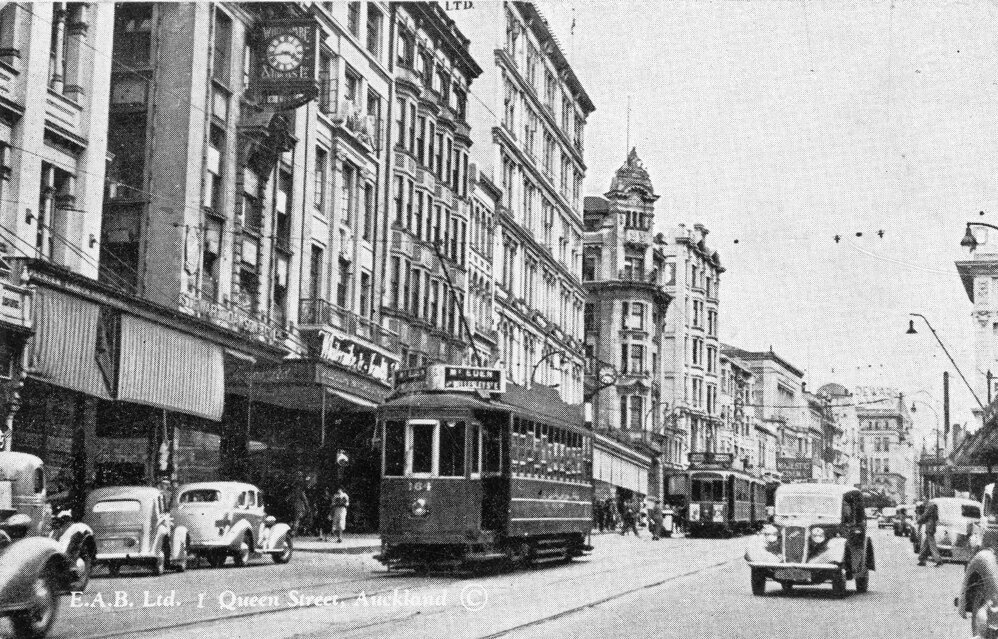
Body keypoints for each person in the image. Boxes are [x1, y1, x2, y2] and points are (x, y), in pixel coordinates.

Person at [917, 500, 943, 567]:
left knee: (932, 545)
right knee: (926, 544)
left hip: (929, 527)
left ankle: (938, 560)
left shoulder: (929, 506)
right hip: (932, 527)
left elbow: (925, 516)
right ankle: (922, 559)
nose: (923, 503)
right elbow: (936, 518)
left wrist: (918, 521)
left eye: (924, 501)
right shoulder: (934, 507)